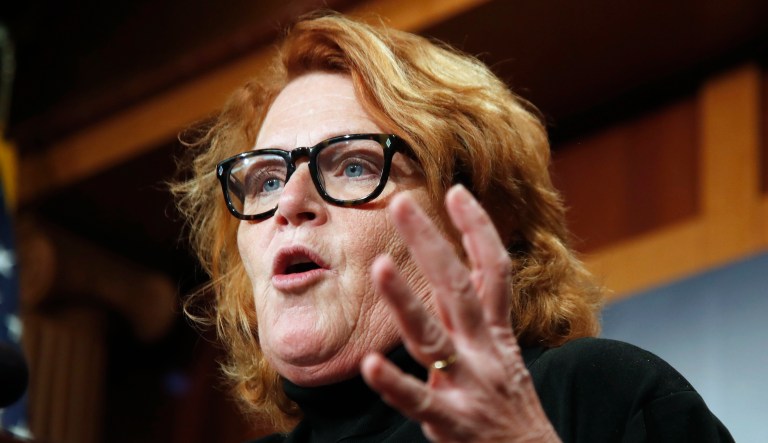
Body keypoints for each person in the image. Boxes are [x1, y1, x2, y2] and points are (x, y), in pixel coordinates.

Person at [173, 11, 733, 442]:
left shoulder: (596, 398)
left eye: (353, 165)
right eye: (267, 179)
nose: (290, 202)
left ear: (478, 222)